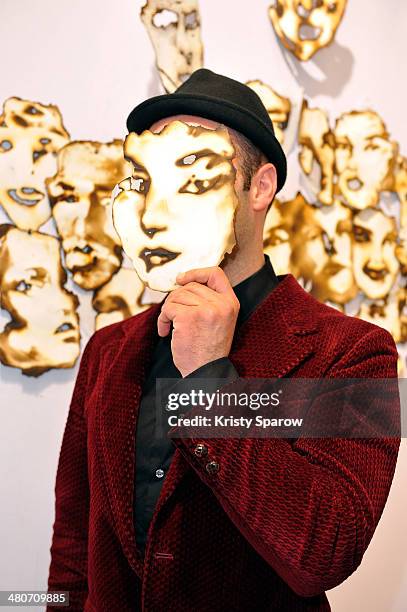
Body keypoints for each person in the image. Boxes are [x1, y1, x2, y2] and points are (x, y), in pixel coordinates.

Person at [47, 69, 400, 611]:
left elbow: (326, 552)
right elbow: (73, 551)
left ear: (259, 187)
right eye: (146, 178)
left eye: (192, 174)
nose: (158, 208)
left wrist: (213, 383)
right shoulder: (108, 351)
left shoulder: (354, 352)